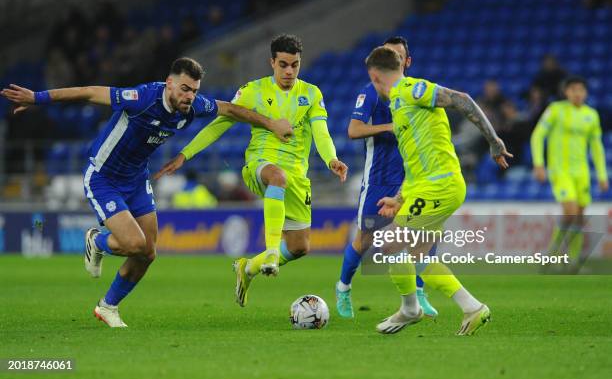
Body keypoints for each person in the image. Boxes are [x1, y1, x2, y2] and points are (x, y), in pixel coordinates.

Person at [1, 57, 292, 327]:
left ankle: (108, 306)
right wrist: (37, 98)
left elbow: (230, 109)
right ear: (169, 84)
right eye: (185, 89)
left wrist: (271, 124)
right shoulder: (141, 98)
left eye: (194, 90)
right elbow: (90, 92)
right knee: (134, 244)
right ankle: (98, 241)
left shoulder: (193, 106)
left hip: (137, 179)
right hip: (104, 177)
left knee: (149, 252)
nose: (190, 96)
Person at [155, 34, 348, 307]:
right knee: (277, 177)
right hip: (261, 164)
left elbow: (322, 132)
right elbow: (219, 124)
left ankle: (247, 268)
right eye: (283, 64)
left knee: (299, 246)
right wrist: (186, 154)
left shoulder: (311, 94)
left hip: (296, 176)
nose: (289, 71)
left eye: (295, 65)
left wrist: (332, 159)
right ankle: (270, 252)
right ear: (272, 62)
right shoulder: (252, 91)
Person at [363, 46, 512, 335]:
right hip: (426, 186)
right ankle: (472, 308)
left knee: (389, 242)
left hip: (440, 185)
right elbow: (417, 158)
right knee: (419, 256)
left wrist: (494, 141)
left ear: (375, 76)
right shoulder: (398, 104)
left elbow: (462, 99)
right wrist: (399, 197)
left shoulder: (412, 90)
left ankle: (410, 309)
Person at [335, 36, 438, 319]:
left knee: (425, 232)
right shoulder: (370, 92)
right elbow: (353, 130)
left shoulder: (416, 91)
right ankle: (343, 287)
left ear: (406, 61)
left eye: (397, 54)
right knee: (365, 239)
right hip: (379, 178)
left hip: (411, 177)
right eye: (387, 53)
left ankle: (418, 295)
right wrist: (389, 127)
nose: (392, 57)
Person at [531, 76, 608, 272]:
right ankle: (553, 253)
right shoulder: (556, 110)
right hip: (560, 170)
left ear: (586, 93)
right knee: (571, 210)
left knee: (579, 216)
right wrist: (539, 164)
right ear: (566, 92)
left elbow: (597, 146)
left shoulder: (591, 115)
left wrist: (602, 175)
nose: (577, 93)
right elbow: (538, 135)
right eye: (573, 89)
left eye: (581, 90)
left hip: (581, 172)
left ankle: (570, 262)